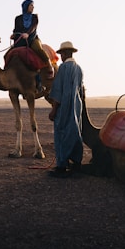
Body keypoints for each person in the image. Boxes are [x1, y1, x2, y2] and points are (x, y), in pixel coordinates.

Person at [48, 41, 85, 177]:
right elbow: (80, 90)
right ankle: (76, 164)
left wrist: (54, 110)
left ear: (64, 54)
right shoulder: (79, 68)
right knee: (75, 132)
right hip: (76, 105)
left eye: (61, 54)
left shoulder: (63, 68)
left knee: (62, 132)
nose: (61, 57)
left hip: (65, 106)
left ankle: (61, 166)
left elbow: (58, 91)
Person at [10, 0, 54, 78]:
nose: (33, 7)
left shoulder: (34, 17)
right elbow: (16, 29)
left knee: (37, 48)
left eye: (33, 6)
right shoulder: (18, 18)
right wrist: (13, 35)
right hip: (21, 39)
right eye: (31, 5)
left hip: (32, 38)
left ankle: (49, 65)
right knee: (10, 52)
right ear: (26, 6)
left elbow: (33, 27)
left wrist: (28, 33)